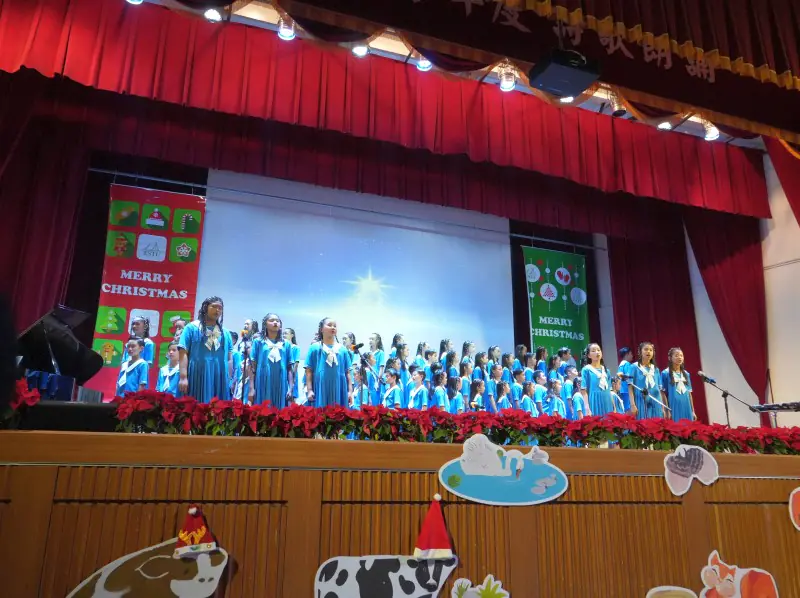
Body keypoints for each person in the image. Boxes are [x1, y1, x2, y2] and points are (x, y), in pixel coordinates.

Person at [178, 296, 233, 403]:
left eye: (220, 308)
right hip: (197, 374)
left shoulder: (225, 333)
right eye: (214, 306)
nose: (217, 310)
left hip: (219, 376)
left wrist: (229, 379)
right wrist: (183, 377)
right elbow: (183, 353)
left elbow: (230, 358)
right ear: (205, 307)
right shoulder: (191, 328)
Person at [304, 317, 352, 407]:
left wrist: (350, 391)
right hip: (321, 387)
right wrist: (309, 390)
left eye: (335, 326)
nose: (333, 327)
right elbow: (309, 370)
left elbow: (348, 372)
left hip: (339, 387)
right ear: (321, 329)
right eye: (329, 325)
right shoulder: (314, 348)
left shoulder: (342, 349)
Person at [250, 313, 295, 408]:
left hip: (281, 381)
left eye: (277, 321)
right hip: (263, 380)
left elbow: (289, 368)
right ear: (265, 324)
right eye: (271, 320)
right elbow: (252, 367)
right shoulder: (258, 342)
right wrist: (251, 388)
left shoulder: (286, 344)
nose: (275, 322)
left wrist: (291, 388)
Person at [662, 347, 695, 422]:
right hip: (674, 406)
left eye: (681, 355)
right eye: (676, 355)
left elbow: (689, 394)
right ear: (670, 358)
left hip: (686, 405)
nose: (679, 357)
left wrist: (693, 411)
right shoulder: (665, 373)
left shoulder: (686, 374)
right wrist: (667, 410)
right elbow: (663, 393)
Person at [631, 341, 662, 419]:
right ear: (640, 352)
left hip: (656, 401)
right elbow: (630, 387)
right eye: (646, 349)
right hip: (641, 401)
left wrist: (662, 407)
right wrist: (633, 405)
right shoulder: (634, 367)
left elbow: (659, 389)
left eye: (651, 350)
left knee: (657, 423)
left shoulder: (655, 369)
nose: (648, 352)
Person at [580, 342, 609, 417]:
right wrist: (587, 408)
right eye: (593, 351)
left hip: (607, 399)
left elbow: (610, 390)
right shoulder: (586, 370)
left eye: (598, 350)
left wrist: (614, 406)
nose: (597, 352)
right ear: (589, 355)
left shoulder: (606, 370)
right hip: (594, 401)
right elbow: (584, 391)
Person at [283, 328, 301, 400]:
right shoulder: (282, 347)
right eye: (283, 333)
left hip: (292, 372)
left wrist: (293, 377)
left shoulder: (295, 348)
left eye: (286, 333)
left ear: (292, 335)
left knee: (292, 396)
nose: (284, 335)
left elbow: (296, 363)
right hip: (284, 372)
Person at [617, 346, 635, 415]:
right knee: (630, 410)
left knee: (626, 408)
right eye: (631, 354)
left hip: (623, 390)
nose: (632, 356)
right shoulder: (627, 364)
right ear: (627, 354)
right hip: (627, 390)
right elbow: (629, 378)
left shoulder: (621, 364)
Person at [396, 343, 411, 408]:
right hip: (401, 387)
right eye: (407, 350)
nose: (408, 351)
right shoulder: (398, 363)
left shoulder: (405, 362)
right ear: (401, 350)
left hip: (406, 387)